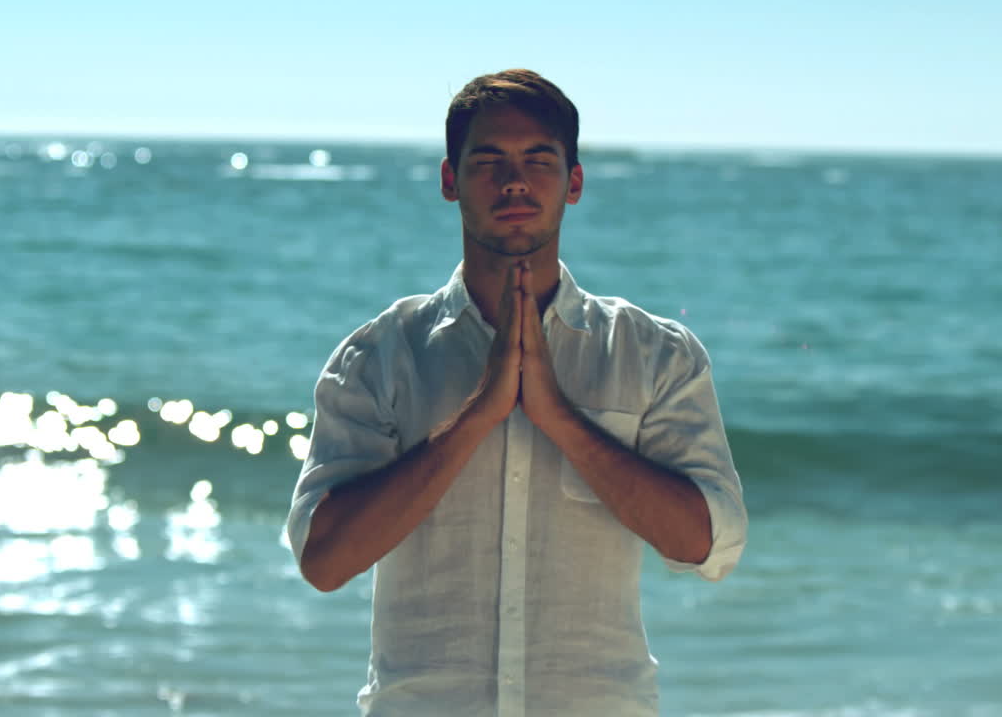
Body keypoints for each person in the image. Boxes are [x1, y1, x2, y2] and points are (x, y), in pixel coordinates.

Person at [286, 69, 748, 716]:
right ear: (450, 181)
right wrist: (477, 417)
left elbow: (711, 544)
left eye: (538, 160)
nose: (514, 182)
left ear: (574, 182)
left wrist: (561, 420)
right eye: (488, 161)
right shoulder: (379, 357)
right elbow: (324, 561)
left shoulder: (653, 354)